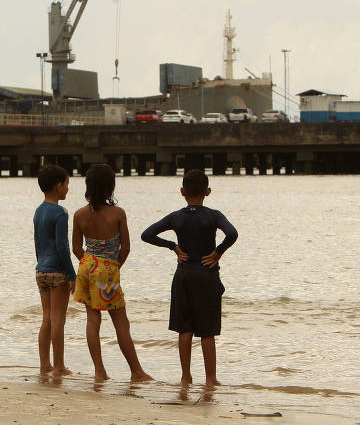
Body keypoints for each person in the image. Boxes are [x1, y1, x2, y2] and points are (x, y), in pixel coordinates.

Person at [141, 169, 238, 386]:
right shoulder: (213, 215)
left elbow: (147, 234)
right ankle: (211, 378)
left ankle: (186, 376)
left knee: (184, 328)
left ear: (182, 192)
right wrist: (218, 252)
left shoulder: (176, 217)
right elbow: (232, 234)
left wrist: (172, 246)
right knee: (207, 331)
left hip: (183, 275)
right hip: (207, 275)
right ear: (208, 191)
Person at [72, 164, 152, 382]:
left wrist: (90, 262)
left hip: (86, 266)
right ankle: (137, 372)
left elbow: (76, 248)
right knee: (121, 322)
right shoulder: (117, 213)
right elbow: (125, 248)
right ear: (111, 187)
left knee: (92, 320)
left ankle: (99, 371)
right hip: (107, 268)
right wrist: (114, 266)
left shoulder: (79, 214)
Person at [33, 164, 76, 376]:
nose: (68, 188)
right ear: (58, 186)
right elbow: (62, 246)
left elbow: (37, 243)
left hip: (41, 270)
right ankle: (59, 365)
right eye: (67, 184)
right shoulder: (60, 213)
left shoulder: (38, 211)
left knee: (46, 319)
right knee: (59, 319)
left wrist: (40, 264)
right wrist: (71, 274)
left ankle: (44, 365)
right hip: (58, 271)